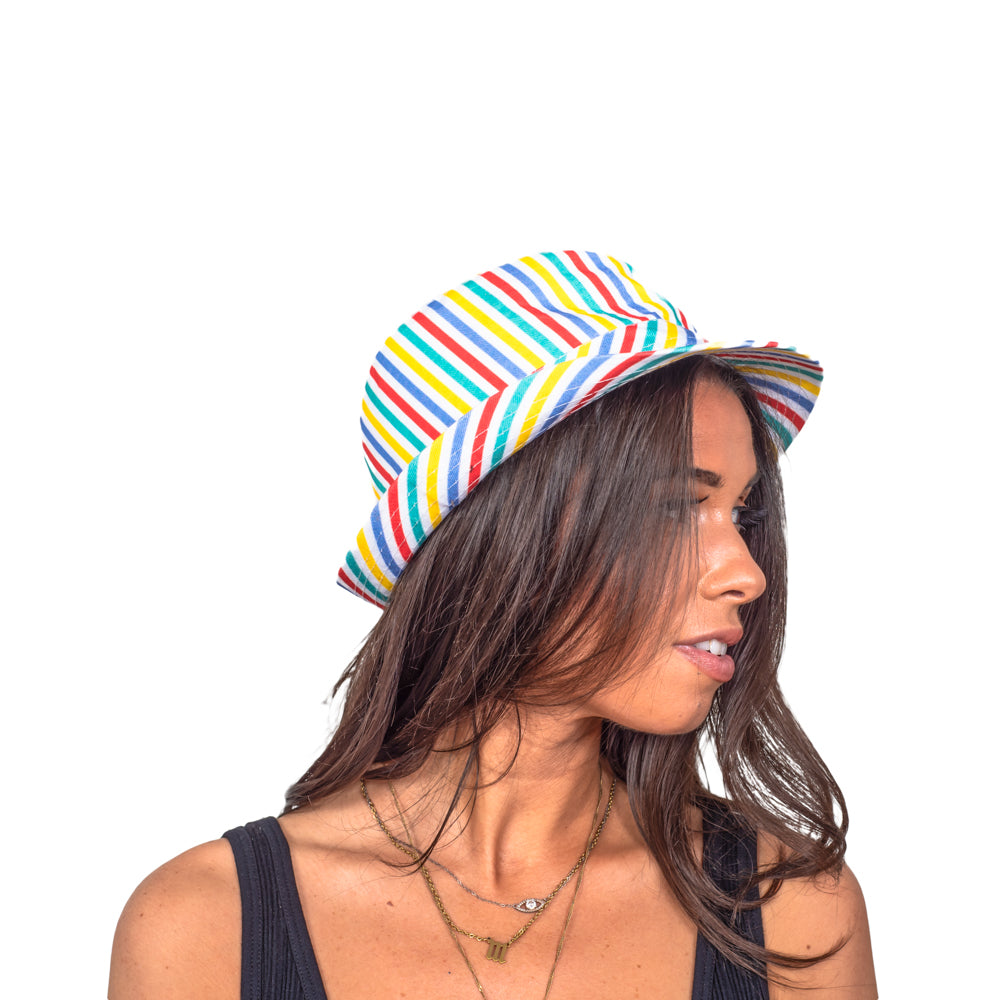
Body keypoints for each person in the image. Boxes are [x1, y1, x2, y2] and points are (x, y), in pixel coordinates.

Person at [109, 251, 877, 999]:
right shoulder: (205, 929)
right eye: (679, 506)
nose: (748, 573)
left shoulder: (793, 914)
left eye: (744, 515)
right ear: (507, 528)